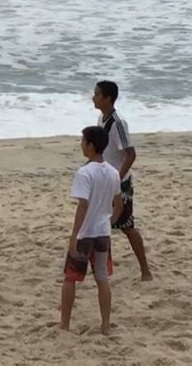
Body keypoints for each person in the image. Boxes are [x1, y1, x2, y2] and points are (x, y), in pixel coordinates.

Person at [60, 126, 123, 335]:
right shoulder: (113, 172)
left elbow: (83, 205)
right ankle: (105, 325)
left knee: (70, 278)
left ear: (91, 145)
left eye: (83, 141)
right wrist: (107, 221)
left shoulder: (84, 173)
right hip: (103, 232)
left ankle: (65, 325)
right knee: (102, 279)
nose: (81, 145)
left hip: (86, 233)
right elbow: (119, 205)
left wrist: (73, 235)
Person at [93, 80, 153, 281]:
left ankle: (145, 270)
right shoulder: (102, 119)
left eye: (97, 94)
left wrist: (116, 179)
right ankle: (103, 267)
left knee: (127, 227)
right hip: (104, 180)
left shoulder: (118, 124)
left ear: (108, 98)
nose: (93, 97)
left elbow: (131, 154)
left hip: (120, 183)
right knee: (101, 223)